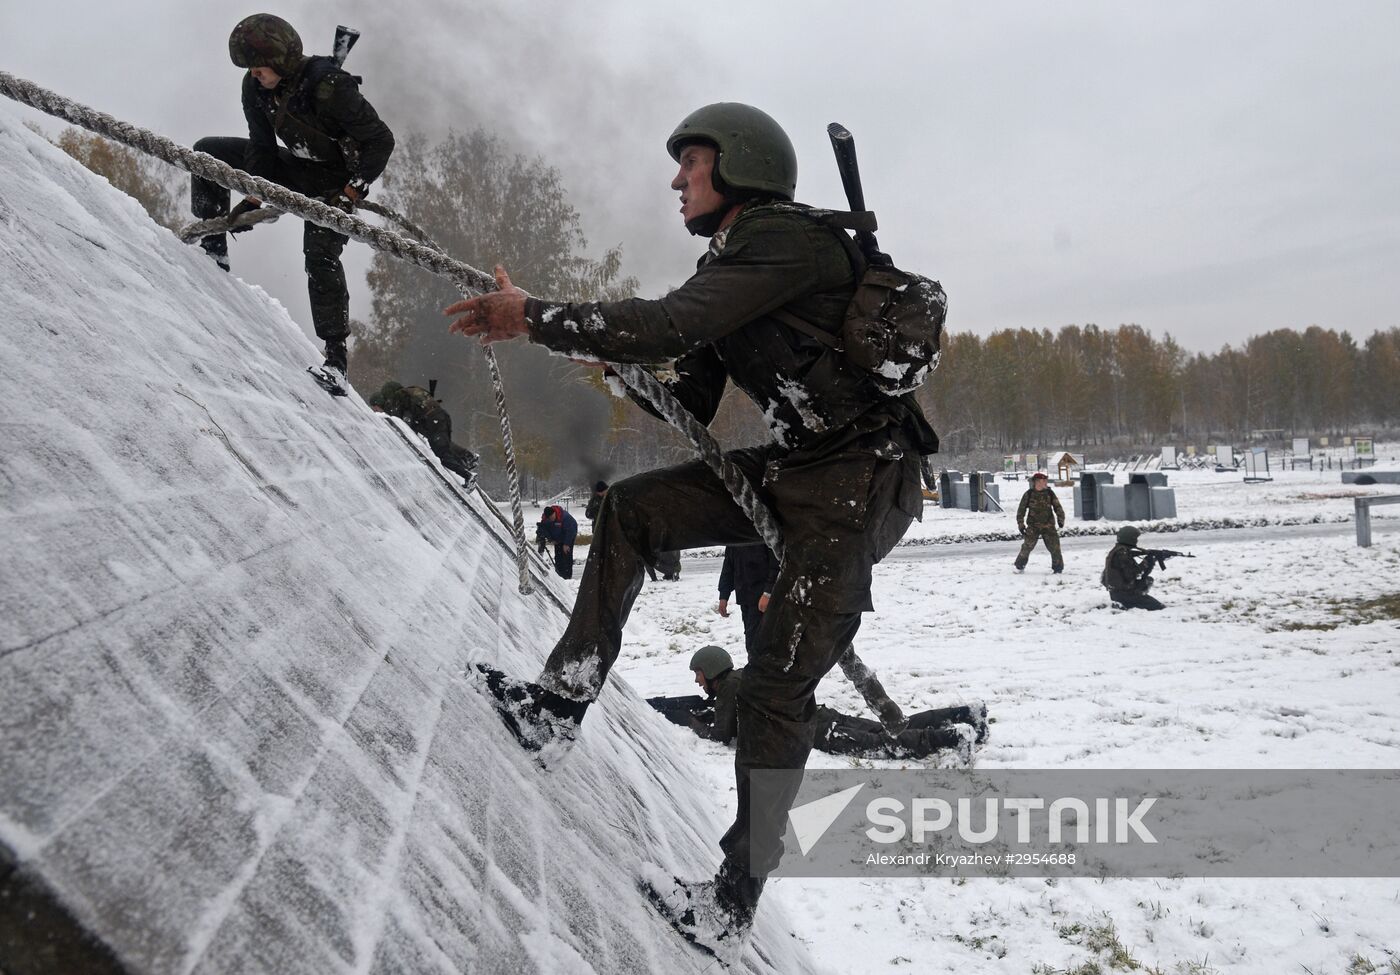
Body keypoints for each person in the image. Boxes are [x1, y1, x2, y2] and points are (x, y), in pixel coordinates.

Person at [444, 102, 939, 959]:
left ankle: (734, 896)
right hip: (796, 467)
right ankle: (558, 707)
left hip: (859, 484)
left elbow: (670, 323)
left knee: (776, 688)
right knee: (633, 510)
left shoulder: (788, 241)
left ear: (739, 167)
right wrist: (612, 361)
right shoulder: (737, 264)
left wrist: (535, 316)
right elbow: (691, 387)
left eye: (693, 162)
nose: (677, 178)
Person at [192, 13, 395, 375]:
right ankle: (213, 254)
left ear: (280, 59)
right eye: (250, 68)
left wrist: (352, 191)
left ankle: (335, 359)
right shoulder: (254, 88)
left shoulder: (330, 87)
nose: (254, 74)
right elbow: (262, 144)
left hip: (335, 186)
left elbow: (380, 140)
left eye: (259, 67)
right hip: (294, 169)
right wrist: (254, 190)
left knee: (319, 255)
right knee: (207, 153)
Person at [655, 646, 984, 762]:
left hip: (817, 731)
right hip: (821, 716)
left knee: (888, 745)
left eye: (698, 674)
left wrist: (688, 720)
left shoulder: (728, 689)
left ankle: (955, 737)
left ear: (712, 671)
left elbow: (721, 736)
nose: (697, 681)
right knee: (895, 727)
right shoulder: (740, 678)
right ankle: (964, 714)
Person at [369, 381, 478, 486]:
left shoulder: (400, 400)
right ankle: (468, 458)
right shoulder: (412, 392)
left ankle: (467, 476)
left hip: (433, 421)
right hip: (442, 416)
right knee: (445, 446)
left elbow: (404, 423)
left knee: (441, 455)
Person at [717, 544, 780, 655]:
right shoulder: (735, 537)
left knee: (759, 643)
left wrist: (768, 593)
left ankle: (759, 669)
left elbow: (776, 565)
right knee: (751, 642)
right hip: (745, 597)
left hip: (764, 599)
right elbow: (728, 567)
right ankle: (756, 667)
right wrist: (723, 596)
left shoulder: (763, 533)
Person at [1102, 525, 1165, 610]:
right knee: (1159, 607)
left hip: (1118, 591)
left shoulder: (1119, 550)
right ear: (1129, 538)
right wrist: (1146, 563)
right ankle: (1127, 603)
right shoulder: (1122, 554)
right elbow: (1130, 575)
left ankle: (1133, 599)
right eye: (1135, 538)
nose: (1136, 540)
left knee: (1148, 580)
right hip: (1124, 594)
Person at [1014, 471, 1065, 573]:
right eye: (1043, 481)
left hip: (1048, 525)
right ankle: (1020, 566)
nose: (1045, 483)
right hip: (1033, 526)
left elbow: (1057, 507)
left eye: (1045, 481)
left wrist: (1061, 519)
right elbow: (1021, 510)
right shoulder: (1029, 494)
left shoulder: (1050, 493)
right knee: (1027, 547)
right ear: (1037, 482)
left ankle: (1058, 569)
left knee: (1055, 547)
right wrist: (1021, 524)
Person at [535, 505, 578, 579]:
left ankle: (567, 576)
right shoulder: (546, 519)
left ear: (554, 513)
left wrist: (566, 544)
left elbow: (571, 530)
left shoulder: (565, 517)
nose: (551, 519)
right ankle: (559, 575)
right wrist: (551, 539)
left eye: (552, 517)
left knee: (566, 555)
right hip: (557, 539)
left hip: (568, 536)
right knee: (558, 557)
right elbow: (544, 529)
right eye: (549, 518)